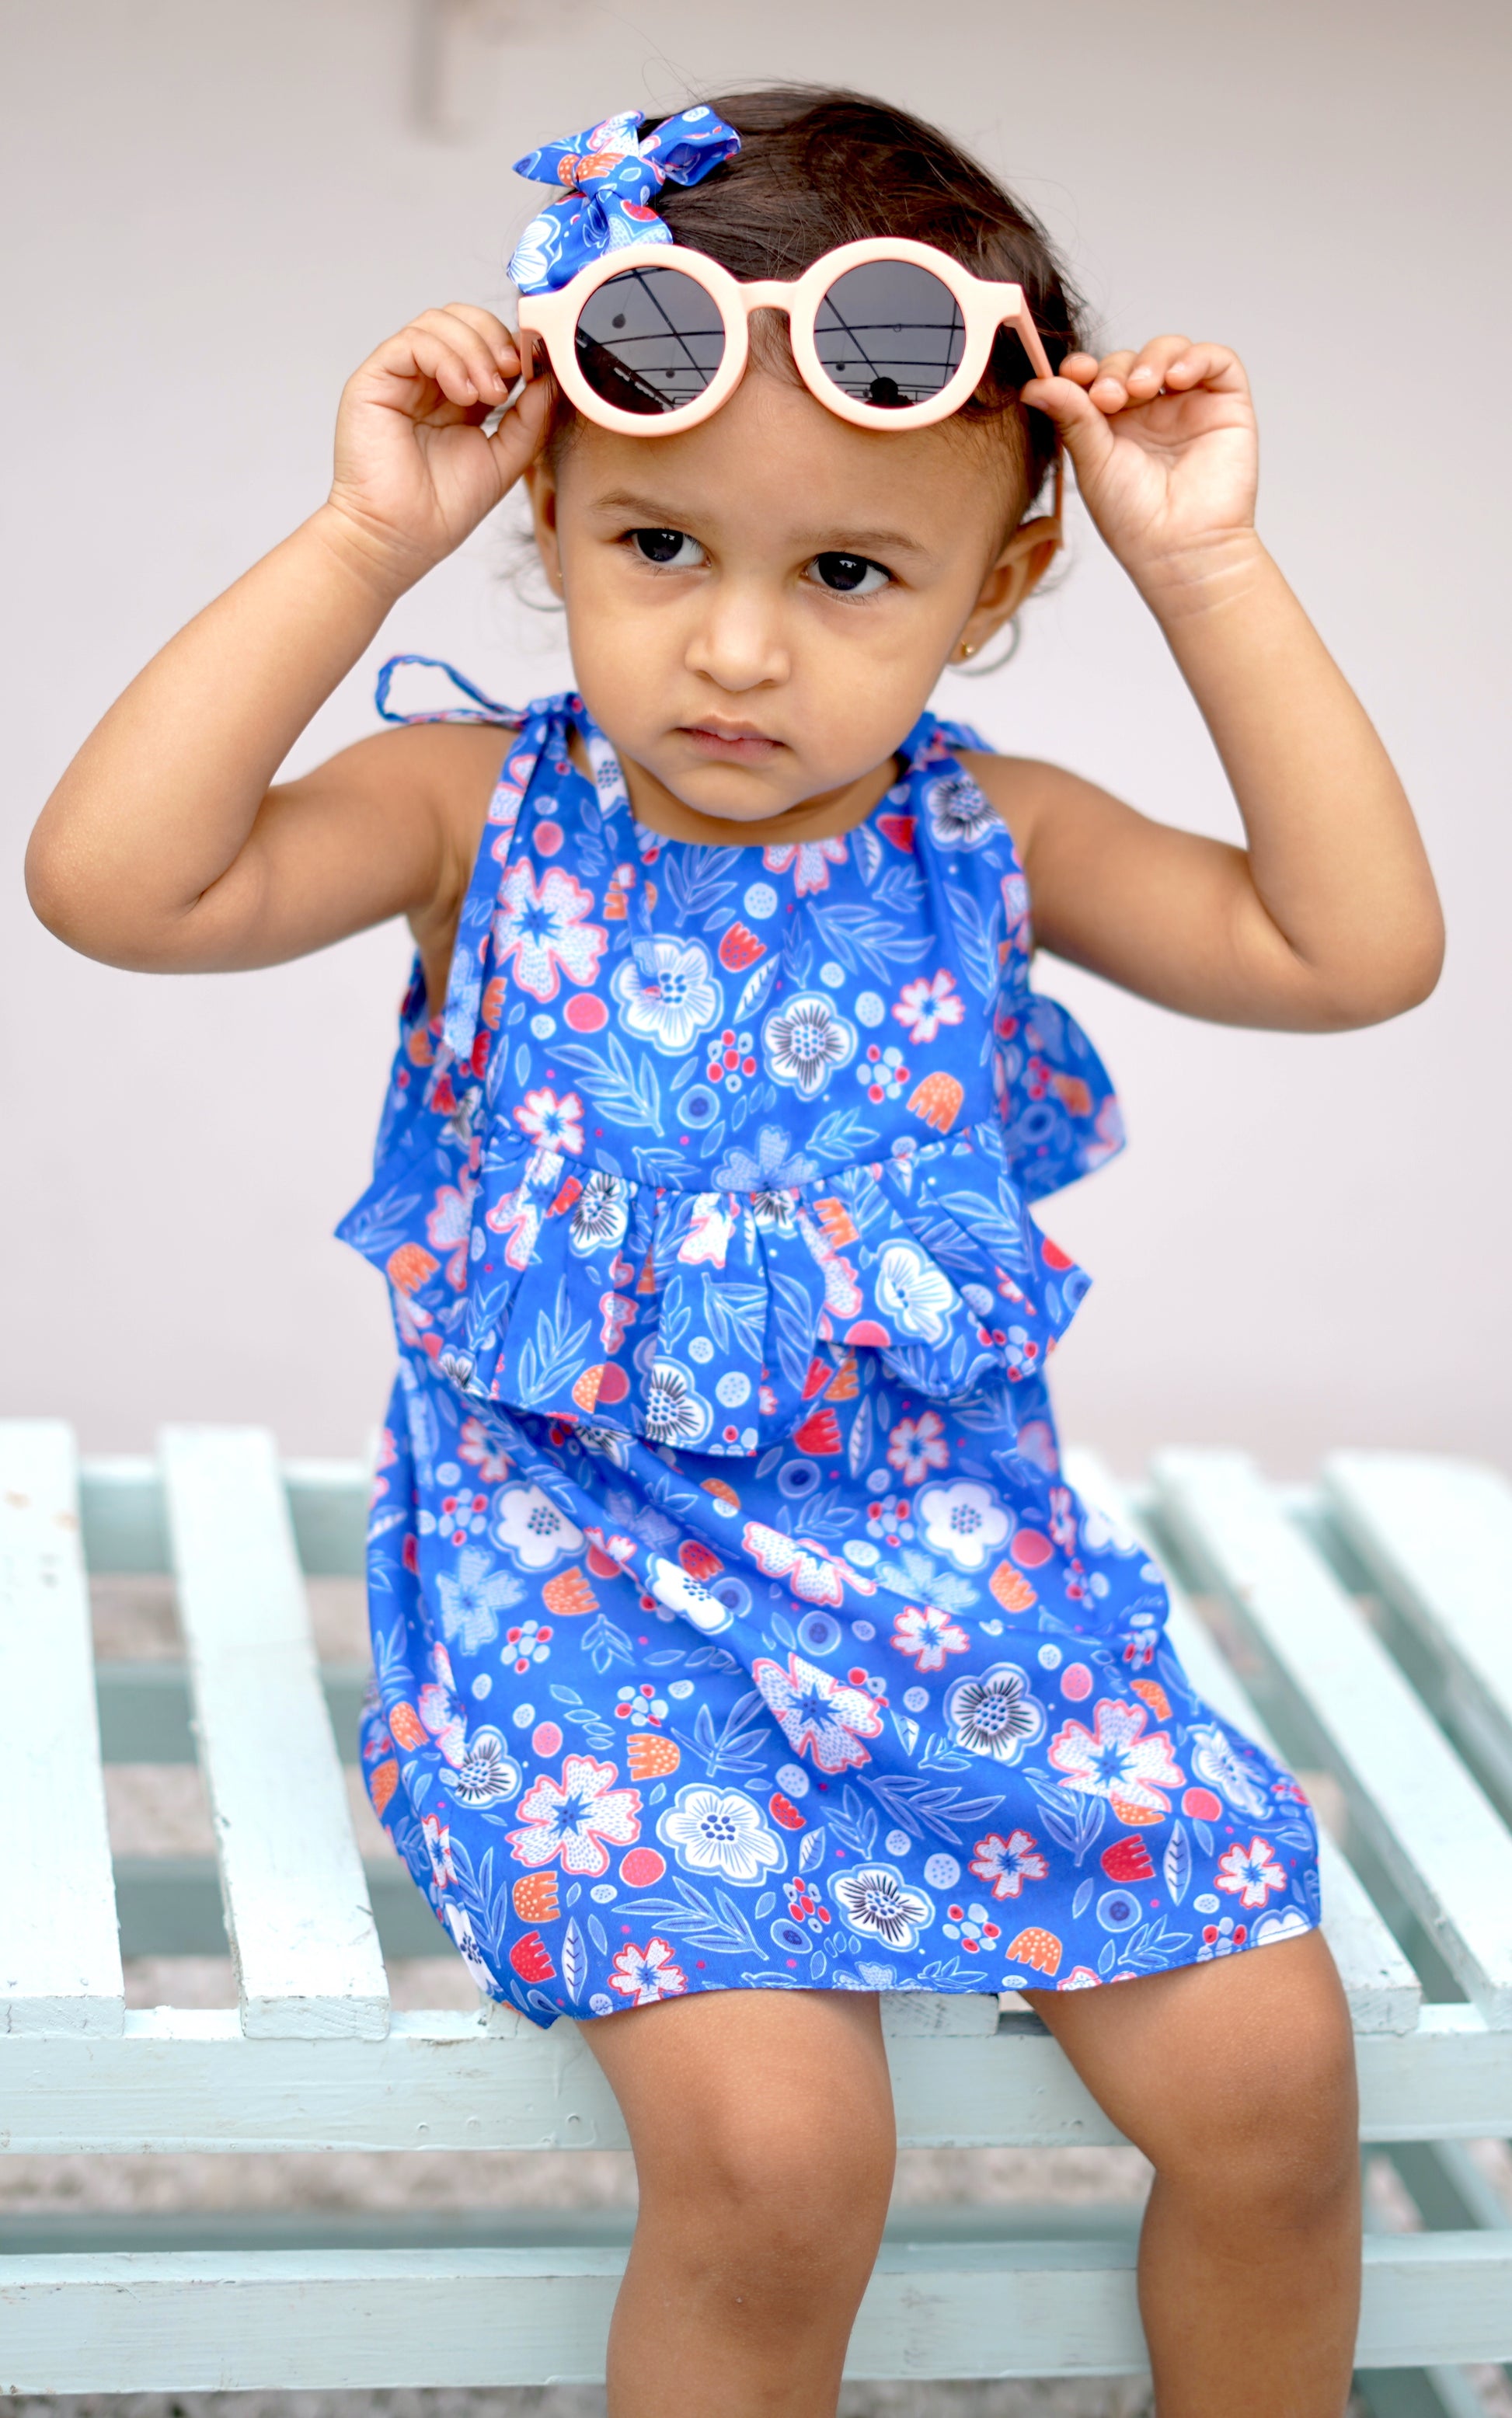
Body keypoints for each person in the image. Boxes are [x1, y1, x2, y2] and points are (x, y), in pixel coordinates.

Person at [28, 84, 1442, 2418]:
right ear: (556, 512)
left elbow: (1351, 948)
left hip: (955, 1589)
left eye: (850, 576)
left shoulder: (994, 843)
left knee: (1277, 2096)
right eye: (660, 545)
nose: (737, 654)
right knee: (785, 2165)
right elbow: (113, 885)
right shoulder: (476, 815)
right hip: (581, 1601)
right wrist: (355, 542)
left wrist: (1204, 572)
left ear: (992, 586)